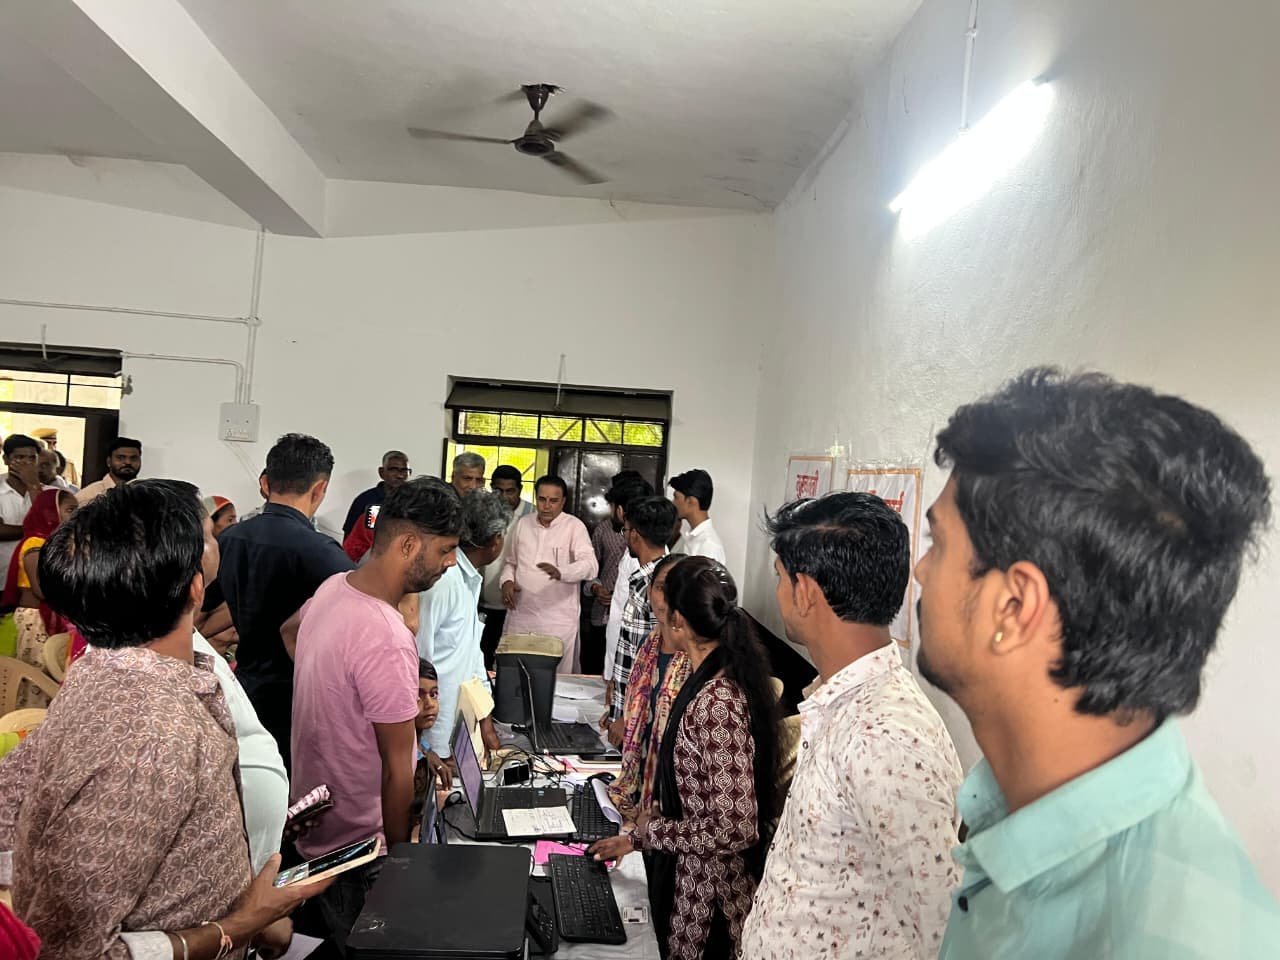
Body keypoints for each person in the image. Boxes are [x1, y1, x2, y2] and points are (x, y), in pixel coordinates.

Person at [913, 369, 1280, 958]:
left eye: (938, 544)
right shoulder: (1018, 800)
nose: (920, 570)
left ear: (1013, 607)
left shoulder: (1174, 941)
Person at [0, 479, 323, 959]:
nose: (219, 538)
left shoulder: (111, 670)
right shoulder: (150, 735)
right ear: (195, 585)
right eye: (210, 533)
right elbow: (76, 952)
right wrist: (241, 925)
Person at [740, 492, 964, 959]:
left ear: (805, 592)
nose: (778, 591)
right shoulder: (844, 705)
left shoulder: (885, 736)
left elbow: (944, 929)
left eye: (780, 577)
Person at [290, 477, 462, 953]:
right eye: (445, 550)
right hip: (361, 852)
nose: (451, 562)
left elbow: (289, 632)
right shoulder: (386, 635)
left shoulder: (333, 589)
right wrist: (401, 867)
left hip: (319, 830)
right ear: (408, 545)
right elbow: (396, 769)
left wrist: (333, 702)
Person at [623, 557, 780, 960]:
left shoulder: (717, 702)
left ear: (678, 621)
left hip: (710, 901)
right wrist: (642, 832)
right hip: (692, 883)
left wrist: (654, 831)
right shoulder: (705, 678)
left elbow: (736, 828)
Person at [218, 434, 355, 772]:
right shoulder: (322, 552)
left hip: (243, 687)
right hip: (297, 697)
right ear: (320, 488)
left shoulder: (229, 539)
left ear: (266, 482)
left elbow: (205, 611)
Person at [193, 491, 289, 873]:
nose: (225, 537)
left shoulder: (190, 645)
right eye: (212, 532)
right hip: (222, 878)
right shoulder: (169, 667)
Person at [593, 553, 690, 853]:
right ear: (649, 591)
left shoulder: (695, 658)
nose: (668, 597)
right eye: (661, 587)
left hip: (675, 811)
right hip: (638, 797)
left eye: (678, 588)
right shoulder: (649, 645)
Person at [417, 489, 507, 770]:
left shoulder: (469, 578)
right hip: (433, 733)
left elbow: (472, 656)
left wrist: (486, 719)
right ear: (495, 540)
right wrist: (424, 747)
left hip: (458, 728)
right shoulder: (445, 580)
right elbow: (418, 661)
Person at [501, 475, 598, 673]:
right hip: (521, 615)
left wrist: (562, 572)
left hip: (558, 620)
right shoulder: (523, 524)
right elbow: (510, 563)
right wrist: (507, 582)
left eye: (553, 501)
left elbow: (590, 566)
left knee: (556, 677)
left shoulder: (574, 526)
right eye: (542, 499)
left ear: (563, 502)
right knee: (515, 673)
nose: (546, 506)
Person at [606, 496, 678, 732]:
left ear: (635, 535)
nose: (625, 536)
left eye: (626, 530)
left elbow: (645, 663)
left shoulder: (650, 586)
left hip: (638, 719)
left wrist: (625, 718)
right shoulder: (667, 577)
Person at [1, 489, 76, 707]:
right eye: (70, 510)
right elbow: (41, 590)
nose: (75, 515)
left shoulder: (51, 543)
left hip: (43, 618)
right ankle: (27, 722)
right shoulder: (36, 543)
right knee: (34, 678)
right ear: (50, 512)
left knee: (45, 679)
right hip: (34, 621)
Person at [601, 477, 655, 690]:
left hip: (628, 669)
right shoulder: (634, 551)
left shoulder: (639, 558)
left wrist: (615, 676)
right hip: (623, 665)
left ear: (621, 511)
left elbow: (629, 624)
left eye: (612, 507)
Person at [478, 465, 534, 667]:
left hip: (516, 603)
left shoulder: (532, 515)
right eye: (498, 491)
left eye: (510, 491)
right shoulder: (483, 512)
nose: (503, 496)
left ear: (520, 490)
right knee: (483, 654)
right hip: (484, 602)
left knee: (511, 659)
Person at [583, 483, 630, 675]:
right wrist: (595, 588)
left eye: (611, 506)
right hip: (601, 615)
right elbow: (589, 569)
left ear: (619, 509)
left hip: (628, 620)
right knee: (597, 669)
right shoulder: (603, 530)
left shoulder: (644, 536)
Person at [342, 450, 411, 539]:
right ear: (381, 472)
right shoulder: (365, 500)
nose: (400, 476)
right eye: (393, 470)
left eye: (404, 470)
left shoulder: (416, 501)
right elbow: (349, 537)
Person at [0, 435, 41, 575]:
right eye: (20, 457)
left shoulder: (48, 491)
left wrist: (33, 485)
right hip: (3, 575)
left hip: (35, 577)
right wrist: (35, 531)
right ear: (6, 459)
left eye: (32, 458)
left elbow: (51, 523)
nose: (27, 463)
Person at [669, 469, 726, 564]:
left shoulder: (708, 546)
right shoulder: (689, 536)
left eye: (676, 497)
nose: (673, 503)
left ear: (691, 501)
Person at [75, 436, 142, 505]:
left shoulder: (145, 494)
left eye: (134, 458)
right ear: (109, 461)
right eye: (120, 458)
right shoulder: (88, 496)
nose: (128, 462)